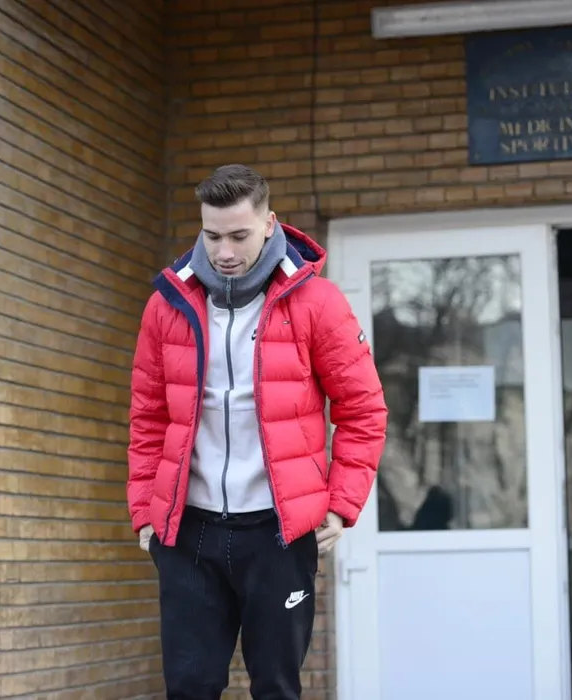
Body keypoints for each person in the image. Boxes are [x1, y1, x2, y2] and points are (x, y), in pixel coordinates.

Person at [126, 164, 387, 700]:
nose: (224, 251)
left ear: (269, 225)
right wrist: (144, 512)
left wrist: (341, 505)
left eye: (239, 236)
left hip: (277, 535)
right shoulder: (167, 305)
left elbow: (363, 409)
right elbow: (148, 418)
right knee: (189, 688)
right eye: (212, 235)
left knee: (276, 687)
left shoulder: (317, 303)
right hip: (188, 533)